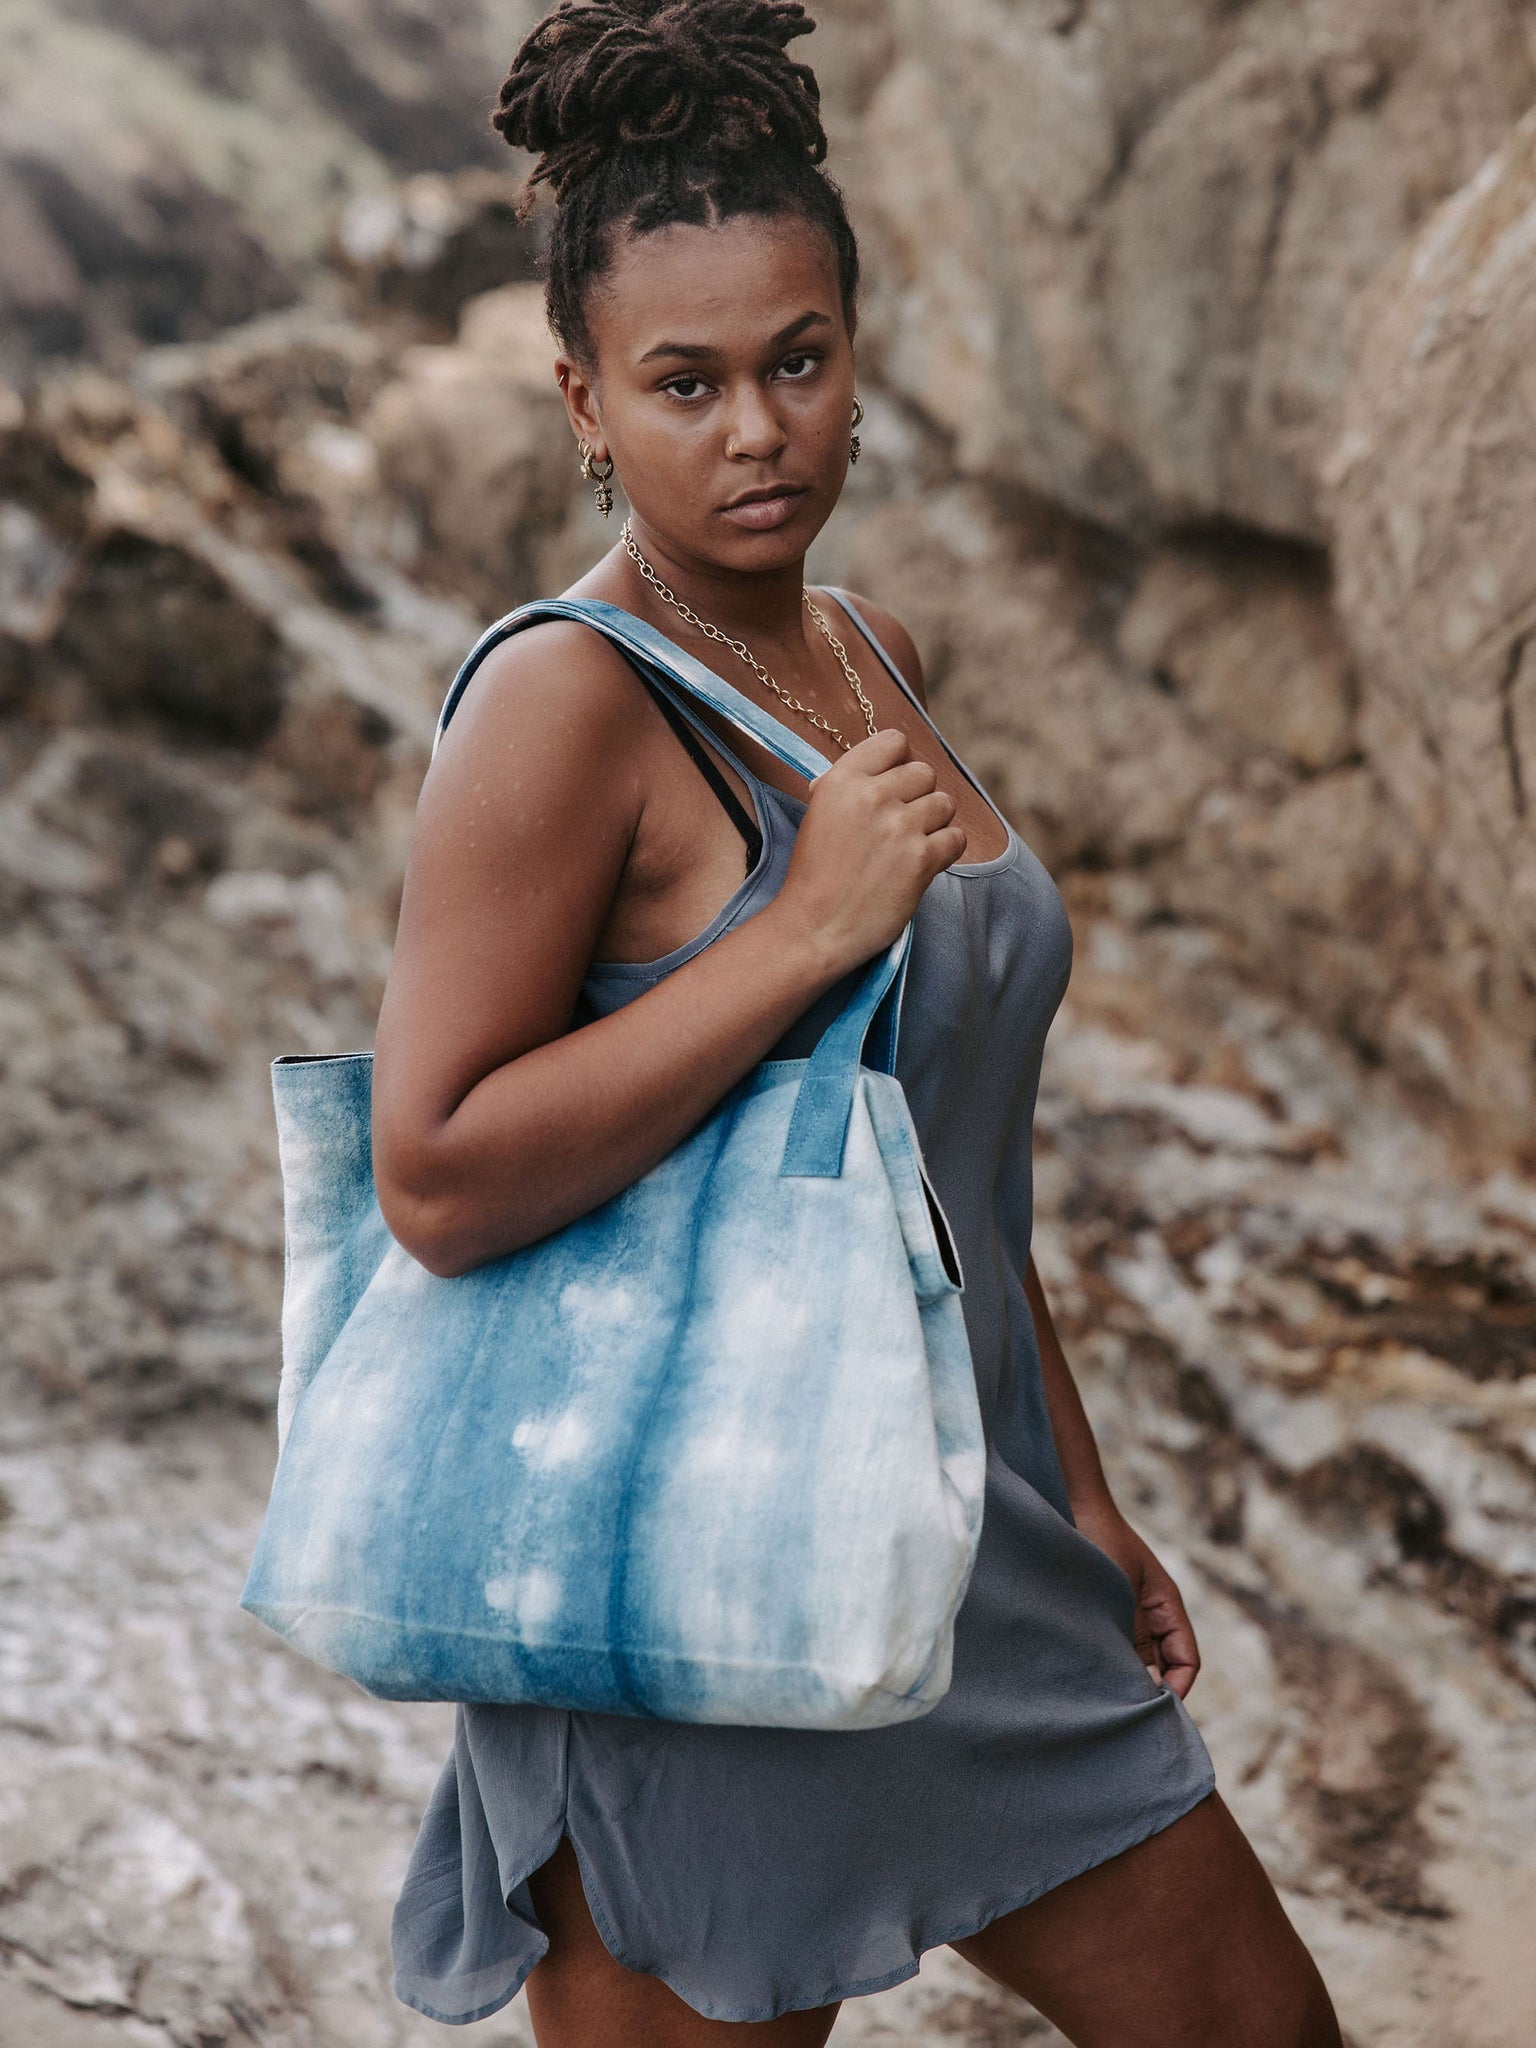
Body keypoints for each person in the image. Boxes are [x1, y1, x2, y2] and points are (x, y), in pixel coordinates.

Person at [373, 3, 1341, 2042]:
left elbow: (948, 1138)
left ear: (856, 356)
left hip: (967, 1547)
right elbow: (438, 1174)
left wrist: (1071, 1487)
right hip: (693, 1585)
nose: (757, 431)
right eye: (686, 383)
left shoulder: (865, 650)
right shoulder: (561, 702)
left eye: (798, 364)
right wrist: (797, 930)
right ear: (581, 399)